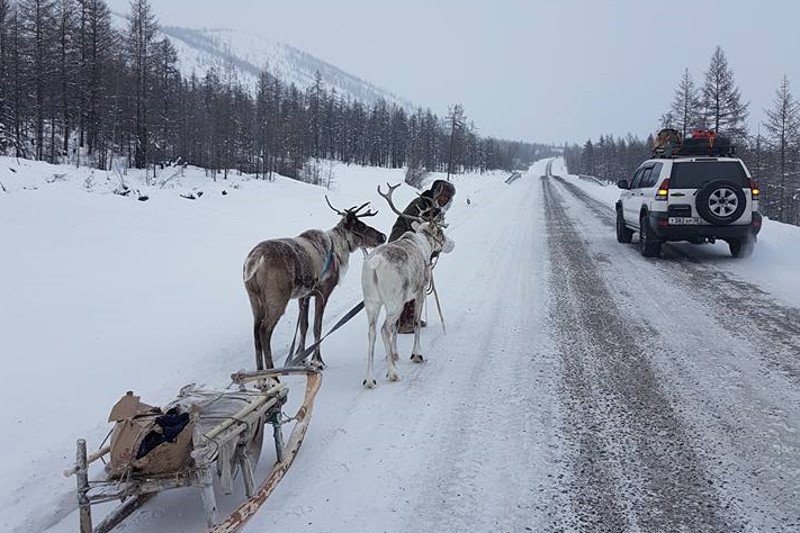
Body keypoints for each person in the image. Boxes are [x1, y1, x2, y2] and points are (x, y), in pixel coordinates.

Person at [388, 179, 456, 333]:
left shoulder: (436, 210)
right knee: (407, 284)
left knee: (418, 283)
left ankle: (412, 318)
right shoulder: (419, 204)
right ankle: (402, 321)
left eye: (447, 196)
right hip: (402, 246)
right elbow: (417, 228)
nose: (444, 198)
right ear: (435, 191)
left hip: (417, 250)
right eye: (442, 194)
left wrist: (432, 249)